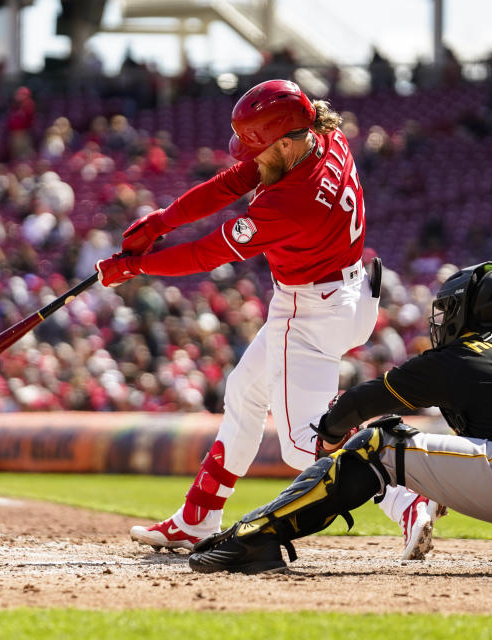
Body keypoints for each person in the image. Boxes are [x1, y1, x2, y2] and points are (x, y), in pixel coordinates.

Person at [96, 79, 442, 559]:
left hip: (308, 313)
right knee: (244, 392)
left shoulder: (288, 202)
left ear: (284, 141)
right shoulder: (323, 139)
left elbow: (205, 254)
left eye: (259, 147)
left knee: (301, 446)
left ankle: (407, 497)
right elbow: (235, 179)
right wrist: (160, 222)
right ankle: (197, 518)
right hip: (349, 293)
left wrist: (135, 266)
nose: (250, 157)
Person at [189, 262, 492, 575]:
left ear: (465, 311)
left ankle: (257, 534)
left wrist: (327, 434)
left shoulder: (462, 355)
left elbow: (362, 402)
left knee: (375, 444)